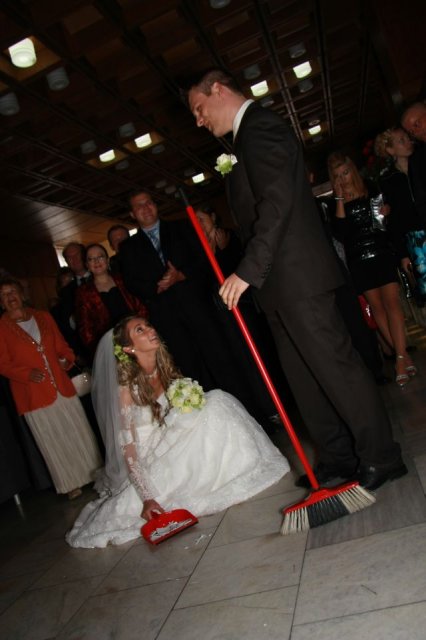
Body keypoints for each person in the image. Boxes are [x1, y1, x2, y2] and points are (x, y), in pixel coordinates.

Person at [187, 68, 406, 490]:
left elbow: (278, 203)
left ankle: (382, 455)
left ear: (218, 89)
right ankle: (338, 457)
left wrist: (247, 269)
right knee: (304, 379)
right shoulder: (242, 140)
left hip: (298, 276)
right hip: (277, 285)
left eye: (199, 108)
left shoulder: (261, 127)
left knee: (336, 367)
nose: (198, 120)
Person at [66, 315, 289, 548]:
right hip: (149, 454)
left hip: (169, 435)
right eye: (139, 330)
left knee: (217, 400)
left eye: (148, 325)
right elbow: (128, 449)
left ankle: (240, 466)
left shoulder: (163, 367)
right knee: (214, 403)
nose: (150, 330)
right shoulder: (126, 390)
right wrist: (147, 498)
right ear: (129, 349)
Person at [119, 190, 277, 418]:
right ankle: (211, 423)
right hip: (168, 320)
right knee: (192, 372)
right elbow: (131, 282)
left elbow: (204, 262)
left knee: (223, 364)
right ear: (132, 214)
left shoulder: (182, 228)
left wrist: (181, 275)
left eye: (149, 202)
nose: (146, 208)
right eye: (139, 206)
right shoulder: (129, 247)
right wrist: (158, 285)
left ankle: (250, 417)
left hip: (200, 311)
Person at [0, 277, 102, 499]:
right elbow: (3, 363)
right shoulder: (1, 328)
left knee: (78, 430)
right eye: (4, 295)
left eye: (13, 292)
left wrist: (66, 359)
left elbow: (61, 346)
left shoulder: (43, 316)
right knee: (52, 439)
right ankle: (70, 483)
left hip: (61, 385)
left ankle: (95, 473)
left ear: (22, 294)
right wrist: (26, 374)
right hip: (33, 394)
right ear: (1, 302)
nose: (10, 297)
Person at [328, 152, 416, 386]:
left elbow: (384, 223)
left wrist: (387, 211)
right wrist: (339, 199)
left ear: (352, 170)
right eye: (337, 175)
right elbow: (340, 233)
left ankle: (399, 358)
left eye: (345, 172)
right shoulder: (335, 201)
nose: (343, 178)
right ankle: (403, 356)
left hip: (382, 252)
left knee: (392, 303)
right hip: (358, 259)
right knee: (377, 308)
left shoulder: (370, 186)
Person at [375, 127, 426, 301]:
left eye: (407, 137)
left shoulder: (421, 162)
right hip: (416, 240)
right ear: (390, 150)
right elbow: (393, 221)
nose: (408, 142)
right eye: (401, 140)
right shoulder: (387, 181)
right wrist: (403, 254)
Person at [75, 243, 148, 359]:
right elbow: (85, 328)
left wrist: (142, 329)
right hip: (111, 348)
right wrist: (102, 350)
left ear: (107, 260)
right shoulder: (83, 292)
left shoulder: (123, 279)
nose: (96, 261)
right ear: (87, 265)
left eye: (100, 257)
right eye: (91, 259)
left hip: (138, 337)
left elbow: (141, 306)